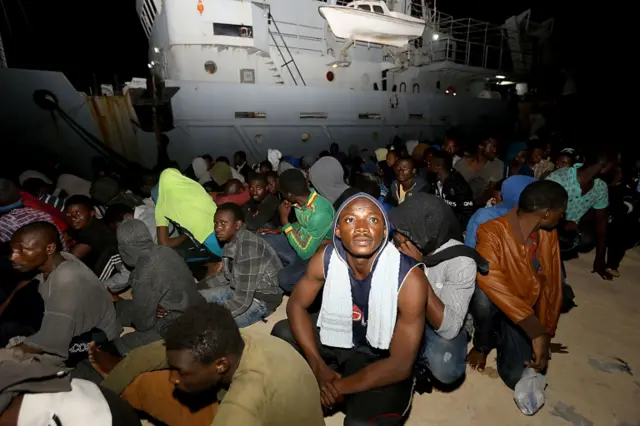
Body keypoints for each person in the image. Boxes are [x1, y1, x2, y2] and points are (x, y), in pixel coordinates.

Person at [271, 193, 428, 425]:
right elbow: (296, 305)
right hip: (343, 337)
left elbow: (401, 364)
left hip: (381, 357)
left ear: (385, 231)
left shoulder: (409, 279)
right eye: (350, 220)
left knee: (361, 423)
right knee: (282, 333)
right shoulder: (325, 259)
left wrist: (336, 387)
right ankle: (332, 379)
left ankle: (348, 391)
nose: (362, 228)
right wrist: (318, 366)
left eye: (373, 220)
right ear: (337, 231)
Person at [472, 181, 566, 389]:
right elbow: (490, 280)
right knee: (482, 295)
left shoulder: (549, 234)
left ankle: (501, 334)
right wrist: (534, 329)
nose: (563, 217)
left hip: (522, 308)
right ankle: (483, 342)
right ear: (546, 213)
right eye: (561, 212)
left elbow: (552, 286)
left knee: (516, 377)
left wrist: (546, 332)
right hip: (503, 304)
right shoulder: (491, 232)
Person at [390, 193, 485, 385]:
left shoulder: (460, 261)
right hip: (405, 309)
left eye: (404, 231)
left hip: (440, 319)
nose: (397, 236)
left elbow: (448, 328)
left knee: (446, 368)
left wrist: (416, 270)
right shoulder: (400, 242)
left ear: (423, 233)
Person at [10, 221, 121, 365]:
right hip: (78, 325)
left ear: (49, 248)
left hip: (96, 341)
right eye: (13, 251)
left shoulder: (65, 286)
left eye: (22, 251)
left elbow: (48, 342)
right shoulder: (61, 258)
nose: (13, 257)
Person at [112, 219, 205, 354]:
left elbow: (143, 325)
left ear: (124, 249)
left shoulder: (144, 273)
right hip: (193, 304)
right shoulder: (165, 250)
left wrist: (151, 312)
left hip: (179, 322)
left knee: (120, 346)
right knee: (123, 308)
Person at [198, 203, 283, 327]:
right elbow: (225, 276)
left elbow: (241, 302)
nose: (217, 228)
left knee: (210, 324)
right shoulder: (231, 240)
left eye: (223, 223)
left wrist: (210, 312)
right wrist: (198, 287)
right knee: (195, 298)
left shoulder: (248, 248)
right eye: (216, 223)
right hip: (239, 288)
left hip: (261, 299)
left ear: (237, 224)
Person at [546, 147, 617, 279]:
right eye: (615, 166)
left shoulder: (600, 187)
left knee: (586, 239)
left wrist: (600, 258)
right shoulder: (560, 177)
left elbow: (601, 222)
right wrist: (563, 223)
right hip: (547, 224)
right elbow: (537, 210)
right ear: (603, 167)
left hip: (571, 229)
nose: (617, 170)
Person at [260, 169, 334, 292]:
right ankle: (289, 263)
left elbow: (305, 253)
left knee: (284, 279)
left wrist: (284, 221)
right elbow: (302, 224)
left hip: (315, 252)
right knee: (263, 240)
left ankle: (316, 296)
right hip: (302, 241)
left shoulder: (319, 213)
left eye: (281, 192)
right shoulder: (302, 199)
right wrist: (280, 229)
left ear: (289, 194)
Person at [153, 168, 222, 258]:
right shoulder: (195, 186)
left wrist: (185, 236)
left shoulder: (161, 205)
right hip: (225, 225)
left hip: (209, 239)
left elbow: (164, 243)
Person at [64, 195, 121, 280]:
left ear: (92, 213)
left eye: (78, 213)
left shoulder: (91, 233)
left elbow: (66, 262)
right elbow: (65, 235)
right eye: (68, 214)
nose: (73, 218)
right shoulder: (92, 224)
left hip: (106, 278)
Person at [425, 150, 475, 228]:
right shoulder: (433, 180)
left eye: (430, 162)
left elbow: (467, 213)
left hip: (455, 228)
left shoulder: (459, 185)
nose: (427, 163)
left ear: (438, 166)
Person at [455, 137, 504, 205]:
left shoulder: (497, 165)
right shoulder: (461, 165)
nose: (495, 150)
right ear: (480, 146)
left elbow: (493, 192)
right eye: (492, 147)